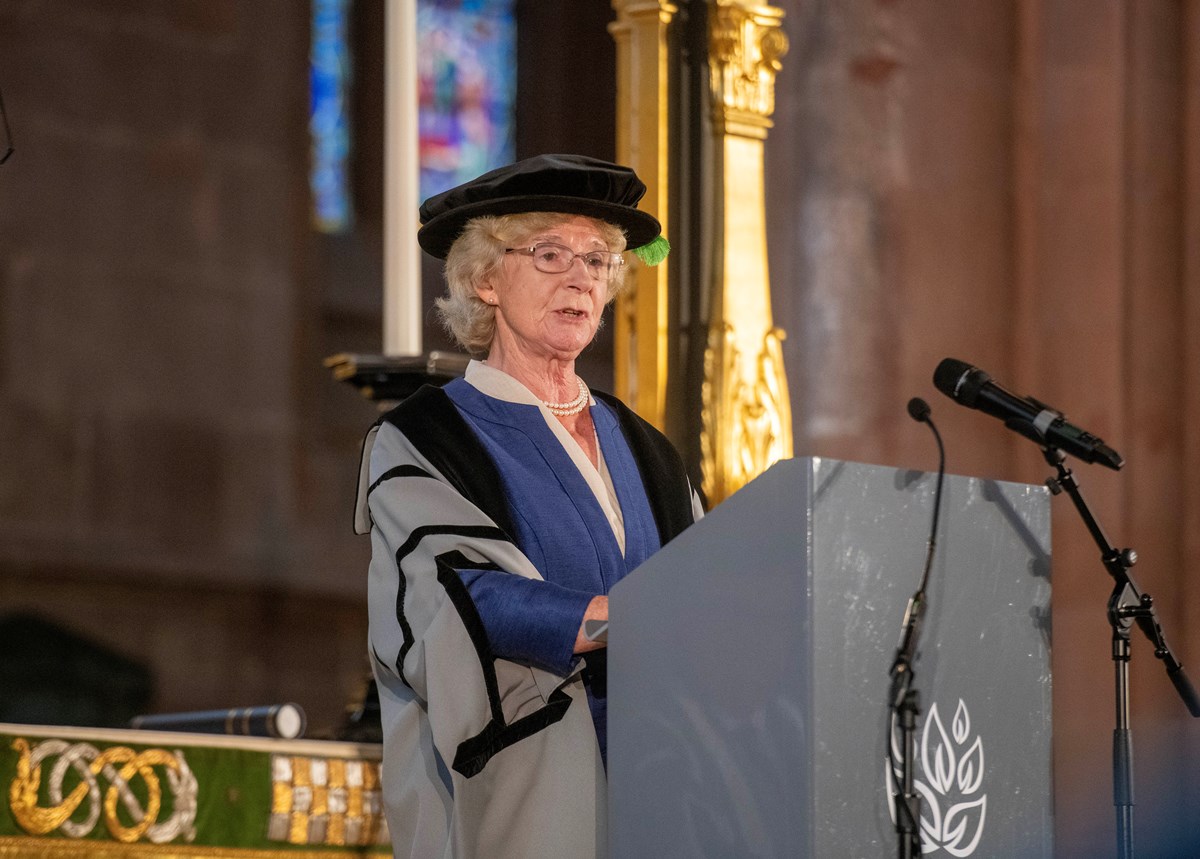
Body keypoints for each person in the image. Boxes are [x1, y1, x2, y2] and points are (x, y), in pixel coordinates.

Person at [354, 154, 703, 858]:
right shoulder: (426, 438)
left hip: (665, 793)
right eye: (550, 254)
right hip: (528, 798)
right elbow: (461, 601)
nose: (581, 276)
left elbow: (706, 590)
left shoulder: (650, 449)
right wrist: (626, 620)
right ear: (485, 278)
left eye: (599, 260)